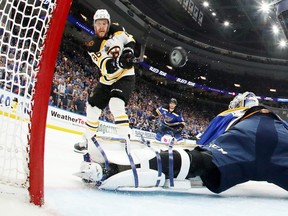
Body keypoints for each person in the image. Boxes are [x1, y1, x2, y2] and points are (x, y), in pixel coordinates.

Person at [76, 103, 288, 194]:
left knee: (201, 162)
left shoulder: (237, 112)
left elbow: (204, 144)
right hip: (281, 144)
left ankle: (115, 167)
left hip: (251, 132)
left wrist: (206, 156)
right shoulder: (278, 120)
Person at [74, 9, 136, 152]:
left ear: (108, 25)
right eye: (98, 24)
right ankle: (88, 138)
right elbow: (107, 67)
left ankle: (125, 138)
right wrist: (120, 62)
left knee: (116, 103)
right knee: (92, 107)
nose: (101, 27)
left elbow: (130, 40)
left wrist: (128, 52)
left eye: (104, 24)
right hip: (108, 78)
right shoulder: (92, 45)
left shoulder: (118, 30)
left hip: (126, 76)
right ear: (94, 26)